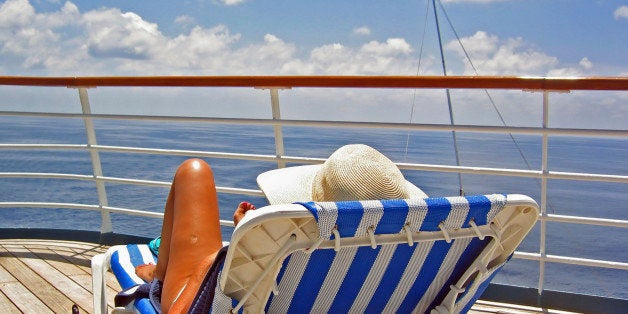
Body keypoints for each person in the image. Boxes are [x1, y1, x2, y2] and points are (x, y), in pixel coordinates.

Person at [126, 144, 427, 313]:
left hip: (197, 306)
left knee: (193, 171)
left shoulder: (292, 246)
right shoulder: (412, 254)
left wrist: (242, 246)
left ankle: (162, 274)